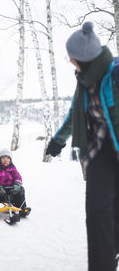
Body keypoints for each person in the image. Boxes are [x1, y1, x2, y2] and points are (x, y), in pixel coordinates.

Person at [46, 21, 119, 271]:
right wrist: (57, 141)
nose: (70, 61)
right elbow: (73, 116)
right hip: (99, 153)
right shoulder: (84, 83)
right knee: (98, 211)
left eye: (72, 57)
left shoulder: (116, 73)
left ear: (84, 59)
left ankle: (115, 249)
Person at [0, 148, 28, 217]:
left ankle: (22, 207)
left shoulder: (13, 168)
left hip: (11, 191)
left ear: (10, 160)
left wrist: (17, 184)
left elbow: (18, 177)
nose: (5, 160)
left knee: (21, 189)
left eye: (7, 158)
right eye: (3, 158)